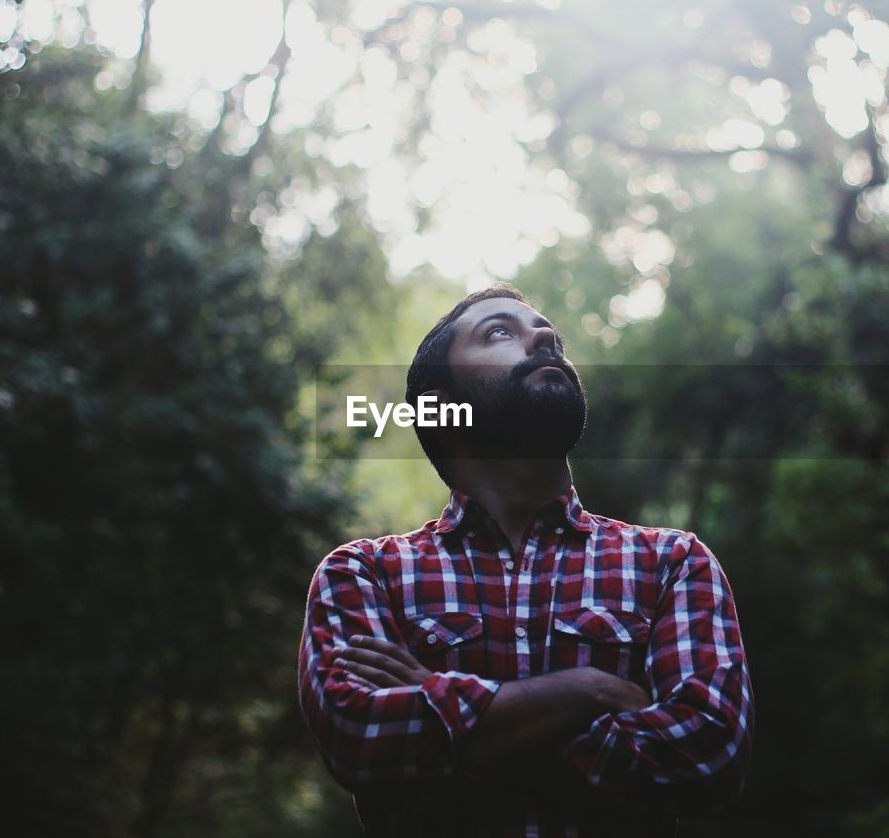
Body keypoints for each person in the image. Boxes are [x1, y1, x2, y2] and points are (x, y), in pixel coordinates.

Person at [298, 284, 754, 836]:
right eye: (498, 333)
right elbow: (360, 736)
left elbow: (709, 753)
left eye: (551, 338)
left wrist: (443, 707)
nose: (543, 338)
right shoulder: (365, 574)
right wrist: (589, 691)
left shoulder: (672, 562)